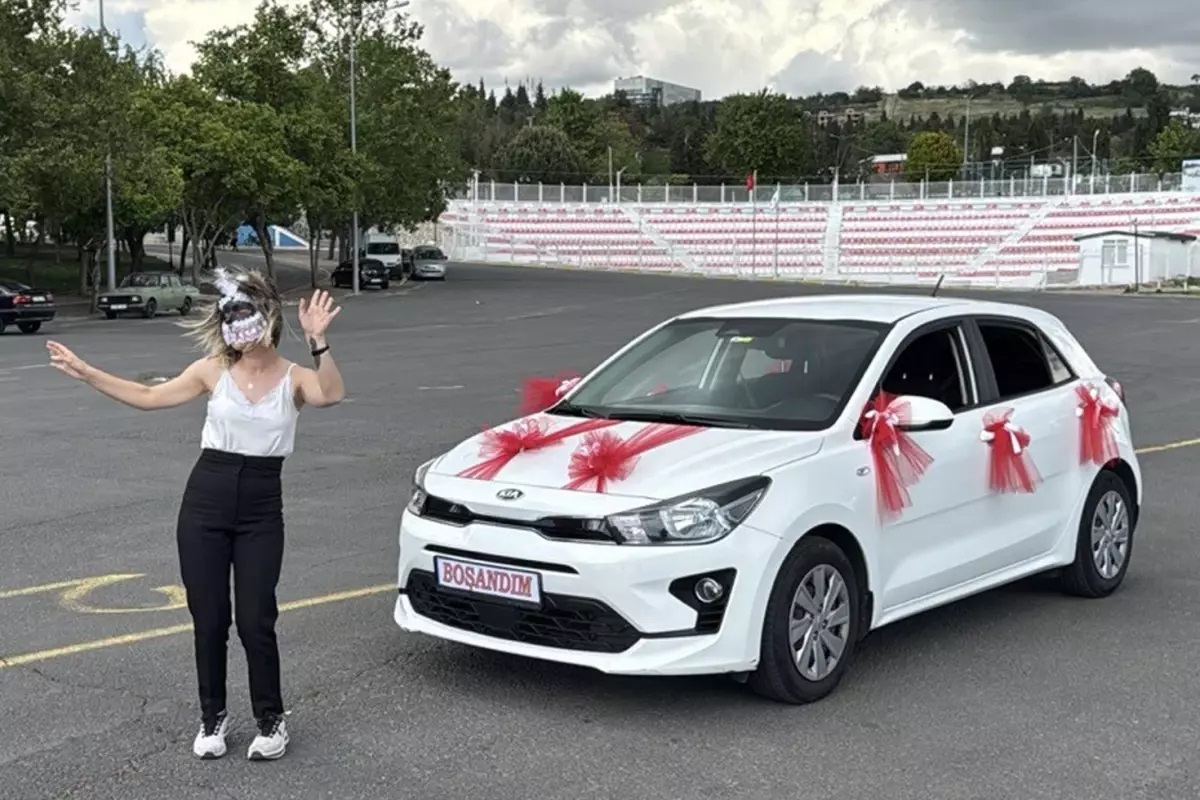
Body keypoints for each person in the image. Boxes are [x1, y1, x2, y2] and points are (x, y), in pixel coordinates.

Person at [45, 268, 346, 762]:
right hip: (205, 498)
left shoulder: (296, 377)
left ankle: (271, 721)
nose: (237, 328)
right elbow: (147, 397)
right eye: (230, 318)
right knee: (208, 619)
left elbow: (330, 394)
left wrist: (318, 341)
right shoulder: (212, 370)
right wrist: (88, 373)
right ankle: (213, 718)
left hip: (260, 505)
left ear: (267, 318)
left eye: (245, 316)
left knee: (255, 619)